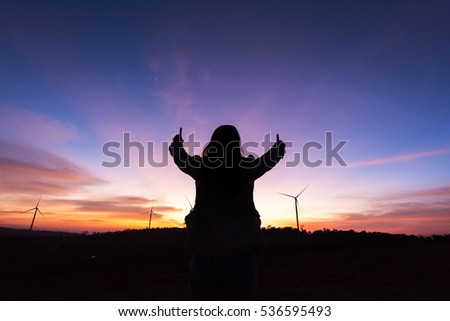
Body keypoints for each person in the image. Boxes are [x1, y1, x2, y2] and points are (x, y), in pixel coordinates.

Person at [169, 125, 285, 300]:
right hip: (241, 258)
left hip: (204, 257)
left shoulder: (201, 167)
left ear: (213, 143)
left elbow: (181, 158)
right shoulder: (248, 168)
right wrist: (277, 149)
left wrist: (177, 144)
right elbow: (266, 162)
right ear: (237, 144)